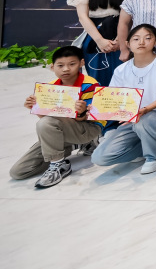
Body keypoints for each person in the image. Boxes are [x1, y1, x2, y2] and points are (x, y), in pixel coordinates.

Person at [9, 46, 104, 188]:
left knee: (47, 123)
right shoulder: (51, 87)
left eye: (72, 64)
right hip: (63, 129)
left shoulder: (90, 85)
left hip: (88, 128)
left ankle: (59, 165)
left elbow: (92, 118)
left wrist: (81, 112)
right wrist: (35, 107)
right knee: (18, 172)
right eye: (60, 65)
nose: (66, 69)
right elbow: (46, 119)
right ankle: (69, 147)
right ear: (52, 67)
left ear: (81, 63)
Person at [91, 24, 156, 175]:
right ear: (127, 44)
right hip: (132, 120)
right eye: (136, 39)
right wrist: (98, 108)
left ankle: (154, 156)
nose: (141, 42)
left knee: (145, 121)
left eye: (147, 38)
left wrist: (145, 110)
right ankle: (147, 147)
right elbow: (114, 98)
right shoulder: (121, 70)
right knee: (100, 157)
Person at [68, 0, 144, 85]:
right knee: (98, 77)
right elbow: (83, 17)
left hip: (126, 35)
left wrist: (121, 40)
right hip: (95, 35)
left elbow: (137, 15)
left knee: (126, 78)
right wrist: (100, 41)